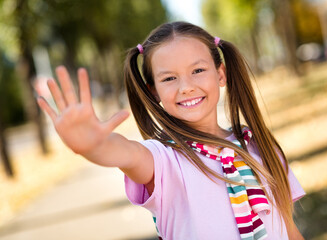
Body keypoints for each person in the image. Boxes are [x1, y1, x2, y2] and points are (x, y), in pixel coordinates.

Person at [37, 21, 305, 240]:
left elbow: (290, 231)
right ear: (153, 91)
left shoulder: (260, 147)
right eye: (169, 78)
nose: (186, 86)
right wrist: (93, 145)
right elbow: (127, 154)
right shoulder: (164, 161)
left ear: (220, 74)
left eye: (198, 70)